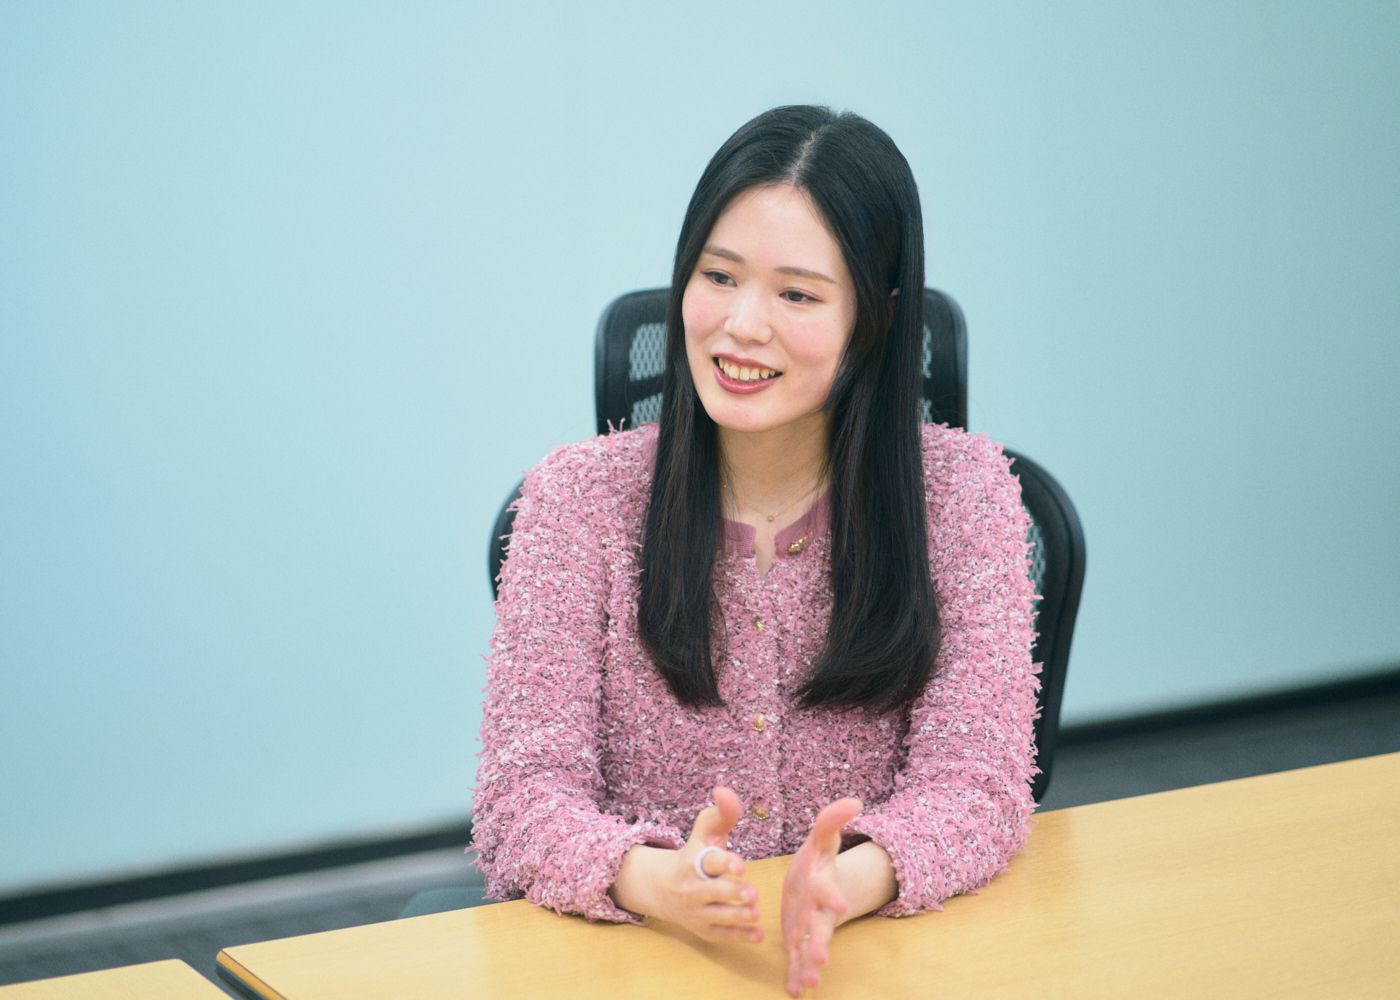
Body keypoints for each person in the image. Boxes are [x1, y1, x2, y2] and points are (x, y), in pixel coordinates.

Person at [472, 105, 1039, 997]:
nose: (741, 324)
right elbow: (520, 798)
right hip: (641, 966)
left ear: (878, 318)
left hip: (876, 965)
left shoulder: (965, 497)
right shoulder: (575, 502)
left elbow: (981, 784)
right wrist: (653, 880)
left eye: (797, 295)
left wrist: (845, 882)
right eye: (718, 276)